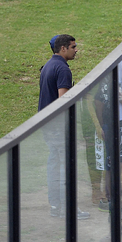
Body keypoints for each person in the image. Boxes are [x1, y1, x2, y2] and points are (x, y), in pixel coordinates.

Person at [39, 35, 90, 220]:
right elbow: (63, 102)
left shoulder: (48, 66)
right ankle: (67, 209)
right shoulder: (62, 69)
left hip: (48, 125)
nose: (76, 50)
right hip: (58, 127)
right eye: (73, 47)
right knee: (65, 167)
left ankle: (56, 206)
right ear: (63, 49)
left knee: (55, 165)